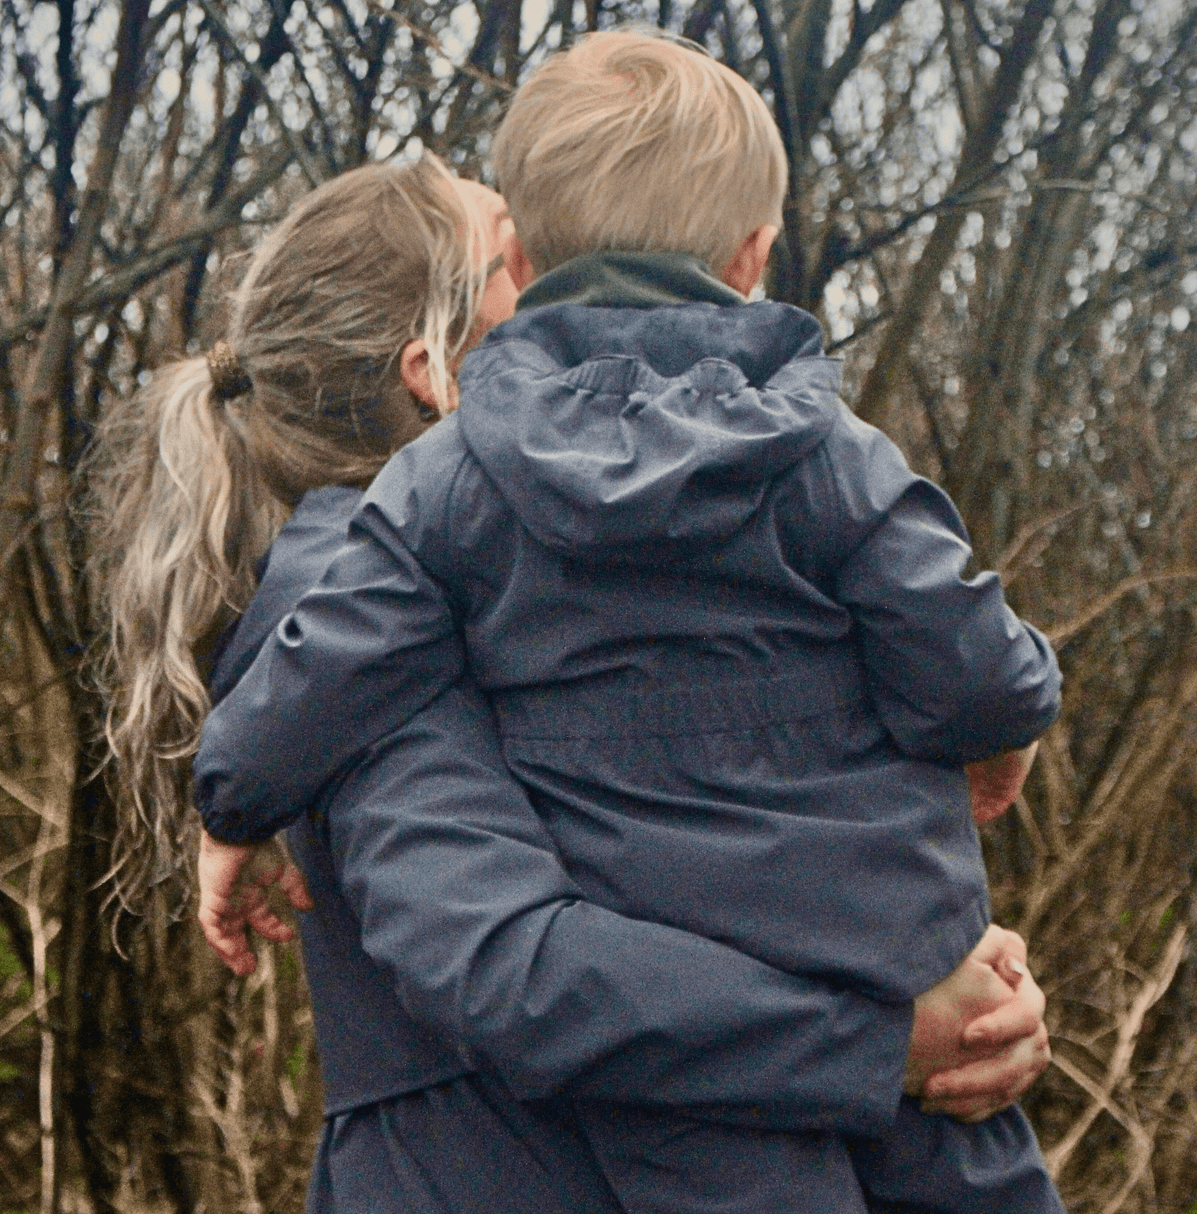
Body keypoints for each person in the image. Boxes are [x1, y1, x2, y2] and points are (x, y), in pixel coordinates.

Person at [190, 27, 1068, 1214]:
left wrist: (962, 996)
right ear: (430, 370)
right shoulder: (811, 455)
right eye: (507, 259)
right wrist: (899, 1023)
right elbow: (523, 972)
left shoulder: (446, 520)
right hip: (539, 1156)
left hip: (728, 1094)